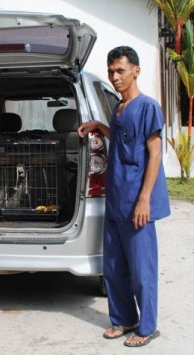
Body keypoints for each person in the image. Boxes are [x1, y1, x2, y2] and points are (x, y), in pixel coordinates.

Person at [78, 46, 170, 347]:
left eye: (120, 70)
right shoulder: (118, 109)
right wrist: (98, 126)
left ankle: (147, 327)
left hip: (137, 202)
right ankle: (124, 319)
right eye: (111, 72)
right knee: (114, 267)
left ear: (136, 71)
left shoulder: (147, 107)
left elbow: (154, 154)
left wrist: (145, 199)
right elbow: (120, 139)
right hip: (116, 198)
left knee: (142, 269)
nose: (115, 77)